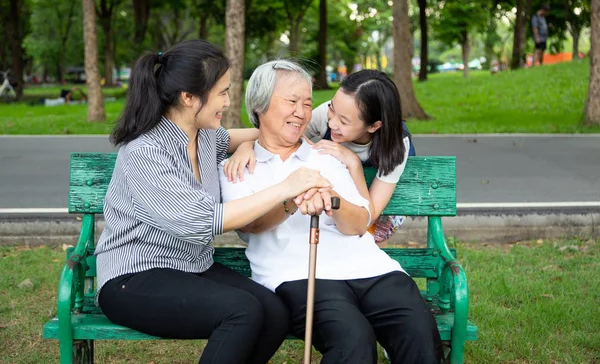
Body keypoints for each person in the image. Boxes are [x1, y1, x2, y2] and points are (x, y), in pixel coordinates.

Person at [94, 40, 333, 364]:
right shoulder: (145, 152)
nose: (227, 100)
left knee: (275, 312)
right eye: (221, 92)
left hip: (191, 267)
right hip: (134, 277)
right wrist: (285, 188)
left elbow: (251, 135)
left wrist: (253, 146)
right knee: (243, 311)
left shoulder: (204, 134)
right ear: (189, 97)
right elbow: (203, 221)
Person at [220, 60, 442, 364]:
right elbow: (248, 227)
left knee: (419, 333)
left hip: (371, 269)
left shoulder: (329, 155)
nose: (301, 112)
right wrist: (291, 199)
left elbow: (360, 223)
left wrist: (333, 199)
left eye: (308, 103)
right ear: (260, 105)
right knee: (354, 344)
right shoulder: (237, 167)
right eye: (292, 101)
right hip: (298, 275)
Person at [225, 69, 414, 248]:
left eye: (344, 122)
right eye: (332, 109)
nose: (332, 123)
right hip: (338, 198)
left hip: (377, 200)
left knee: (369, 239)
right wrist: (247, 145)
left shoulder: (396, 145)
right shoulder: (328, 113)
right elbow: (277, 135)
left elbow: (369, 217)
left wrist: (353, 163)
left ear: (373, 126)